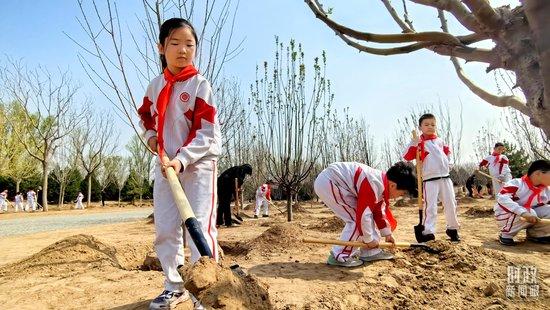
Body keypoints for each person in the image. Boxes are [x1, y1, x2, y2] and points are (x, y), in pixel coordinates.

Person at [137, 18, 221, 310]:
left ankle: (206, 291)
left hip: (198, 166)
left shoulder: (200, 85)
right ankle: (174, 286)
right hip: (165, 167)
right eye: (175, 43)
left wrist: (181, 160)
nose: (183, 50)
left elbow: (207, 132)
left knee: (200, 226)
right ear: (161, 47)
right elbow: (147, 119)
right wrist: (150, 139)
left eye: (190, 44)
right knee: (166, 227)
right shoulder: (154, 86)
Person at [314, 161, 417, 267]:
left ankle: (370, 252)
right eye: (402, 193)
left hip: (337, 183)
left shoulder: (382, 183)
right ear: (392, 185)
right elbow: (363, 216)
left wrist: (387, 234)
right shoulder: (373, 183)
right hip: (330, 182)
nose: (398, 197)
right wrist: (368, 239)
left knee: (365, 218)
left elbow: (378, 211)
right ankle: (339, 256)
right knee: (356, 220)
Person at [403, 113, 460, 242]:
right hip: (430, 180)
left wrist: (449, 164)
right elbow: (407, 156)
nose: (430, 127)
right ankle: (428, 232)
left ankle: (452, 229)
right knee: (431, 207)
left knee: (451, 204)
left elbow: (448, 153)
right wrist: (413, 142)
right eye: (426, 124)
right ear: (420, 127)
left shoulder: (440, 141)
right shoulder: (419, 142)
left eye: (433, 124)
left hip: (445, 178)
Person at [495, 159, 550, 245]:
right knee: (530, 211)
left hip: (531, 215)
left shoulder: (546, 190)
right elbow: (502, 198)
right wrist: (523, 213)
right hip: (506, 216)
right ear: (538, 173)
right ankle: (506, 235)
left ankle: (536, 234)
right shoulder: (517, 183)